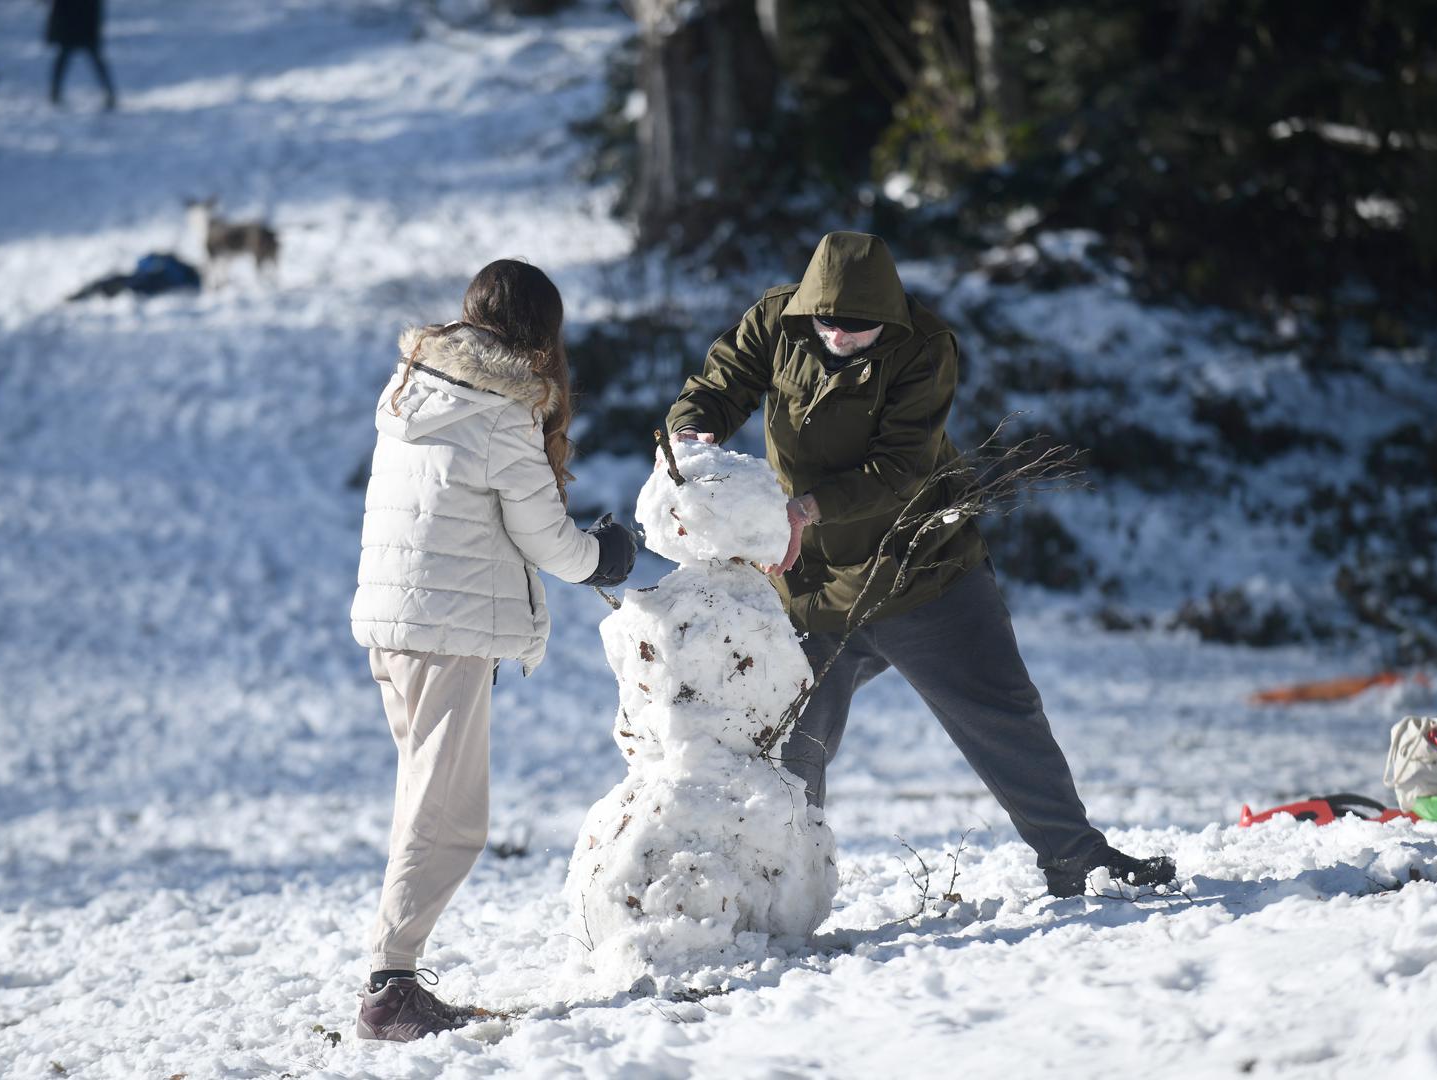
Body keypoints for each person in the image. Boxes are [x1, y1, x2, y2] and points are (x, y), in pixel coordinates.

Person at [665, 231, 1175, 899]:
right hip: (810, 586)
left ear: (888, 316)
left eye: (860, 327)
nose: (843, 336)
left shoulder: (925, 347)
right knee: (791, 746)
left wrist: (808, 507)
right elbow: (720, 384)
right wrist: (693, 430)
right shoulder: (775, 320)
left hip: (921, 570)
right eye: (830, 323)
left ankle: (1076, 860)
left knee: (1003, 712)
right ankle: (776, 889)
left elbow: (899, 468)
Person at [350, 260, 638, 1041]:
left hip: (394, 623)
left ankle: (393, 975)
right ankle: (390, 984)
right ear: (540, 332)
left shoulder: (412, 387)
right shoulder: (500, 414)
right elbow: (544, 537)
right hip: (445, 630)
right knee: (450, 817)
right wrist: (604, 556)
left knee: (424, 800)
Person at [44, 0, 116, 110]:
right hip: (74, 22)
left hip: (78, 22)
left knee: (67, 58)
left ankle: (110, 93)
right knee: (67, 58)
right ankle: (55, 92)